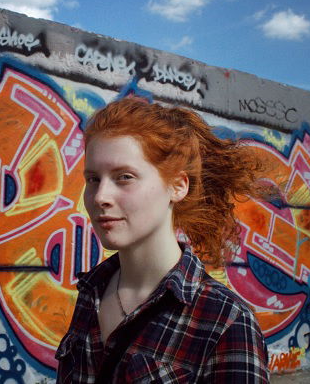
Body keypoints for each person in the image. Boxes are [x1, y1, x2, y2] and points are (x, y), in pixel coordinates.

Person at [56, 97, 270, 383]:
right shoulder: (91, 292)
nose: (100, 197)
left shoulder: (226, 320)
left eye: (124, 177)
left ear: (178, 186)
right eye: (93, 179)